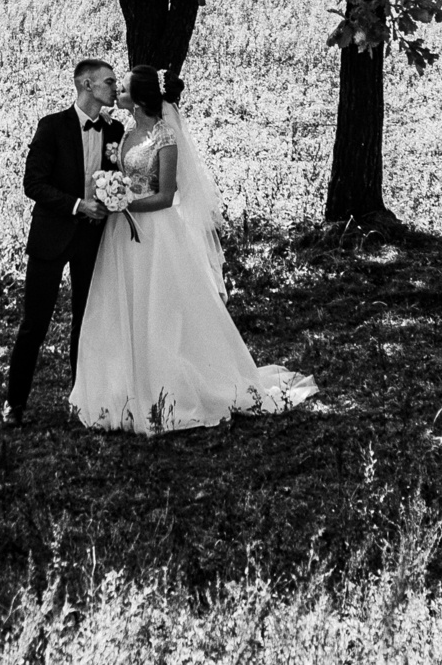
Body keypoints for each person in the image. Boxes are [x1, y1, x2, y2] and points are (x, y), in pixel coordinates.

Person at [69, 65, 317, 433]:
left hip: (155, 232)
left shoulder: (164, 136)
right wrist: (114, 191)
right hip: (120, 235)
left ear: (136, 98)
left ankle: (170, 387)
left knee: (160, 308)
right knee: (123, 306)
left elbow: (167, 195)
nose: (116, 93)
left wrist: (126, 203)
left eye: (121, 88)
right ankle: (120, 388)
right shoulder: (124, 133)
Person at [3, 57, 123, 427]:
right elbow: (33, 184)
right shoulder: (52, 126)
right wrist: (77, 205)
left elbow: (118, 176)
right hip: (52, 236)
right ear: (86, 85)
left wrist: (108, 201)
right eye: (109, 81)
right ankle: (14, 404)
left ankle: (80, 401)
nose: (114, 87)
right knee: (34, 323)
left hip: (93, 239)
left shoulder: (116, 131)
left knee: (85, 323)